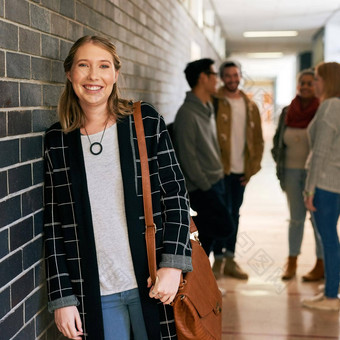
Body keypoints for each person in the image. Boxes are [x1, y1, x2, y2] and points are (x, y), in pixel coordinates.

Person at [43, 35, 192, 340]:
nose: (93, 76)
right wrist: (62, 298)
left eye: (103, 66)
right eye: (83, 66)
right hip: (95, 291)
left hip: (153, 281)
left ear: (115, 74)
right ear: (70, 73)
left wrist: (174, 265)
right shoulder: (57, 139)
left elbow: (176, 194)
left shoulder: (145, 121)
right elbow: (54, 223)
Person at [173, 58, 233, 257]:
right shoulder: (187, 114)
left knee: (212, 236)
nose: (218, 80)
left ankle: (205, 285)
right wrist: (206, 187)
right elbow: (188, 158)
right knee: (207, 241)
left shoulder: (207, 108)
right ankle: (196, 286)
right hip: (202, 188)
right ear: (203, 78)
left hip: (217, 181)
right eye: (214, 75)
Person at [212, 61, 264, 279]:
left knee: (234, 214)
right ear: (222, 78)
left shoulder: (250, 105)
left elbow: (258, 139)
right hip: (218, 171)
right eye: (228, 76)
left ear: (240, 76)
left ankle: (230, 259)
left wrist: (251, 170)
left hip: (240, 171)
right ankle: (218, 260)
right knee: (218, 214)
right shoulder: (214, 102)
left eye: (236, 75)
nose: (233, 79)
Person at [272, 69, 324, 281]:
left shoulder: (322, 111)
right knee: (296, 219)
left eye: (310, 83)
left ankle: (321, 264)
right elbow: (277, 141)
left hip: (317, 176)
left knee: (318, 220)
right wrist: (279, 161)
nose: (305, 86)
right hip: (291, 173)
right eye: (302, 83)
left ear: (317, 86)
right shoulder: (287, 111)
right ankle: (292, 262)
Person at [301, 61, 340, 311]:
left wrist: (309, 189)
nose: (314, 83)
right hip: (333, 183)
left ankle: (330, 298)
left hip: (325, 184)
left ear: (328, 80)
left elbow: (320, 152)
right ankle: (330, 288)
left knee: (328, 240)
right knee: (329, 239)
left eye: (316, 78)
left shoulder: (330, 106)